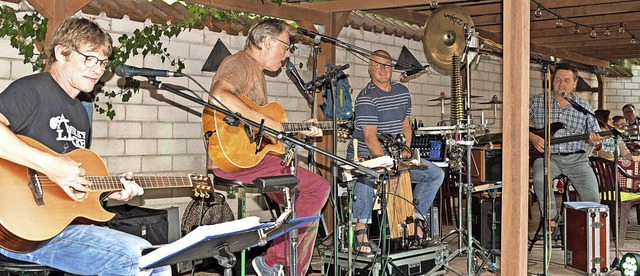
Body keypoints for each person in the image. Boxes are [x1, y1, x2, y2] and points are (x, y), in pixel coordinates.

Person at [0, 17, 170, 275]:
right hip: (17, 229)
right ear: (62, 53)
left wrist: (108, 193)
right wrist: (50, 165)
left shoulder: (81, 114)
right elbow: (55, 170)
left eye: (102, 62)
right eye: (89, 58)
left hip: (57, 228)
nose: (98, 69)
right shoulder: (31, 90)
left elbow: (71, 190)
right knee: (141, 260)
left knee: (153, 258)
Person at [207, 19, 330, 276]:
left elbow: (262, 132)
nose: (287, 55)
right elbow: (219, 96)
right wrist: (270, 122)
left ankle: (283, 266)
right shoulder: (239, 63)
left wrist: (297, 128)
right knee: (317, 188)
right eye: (285, 47)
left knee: (300, 200)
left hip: (255, 160)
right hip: (238, 163)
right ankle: (273, 263)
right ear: (266, 42)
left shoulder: (254, 70)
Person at [346, 50, 445, 253]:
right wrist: (386, 163)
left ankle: (415, 219)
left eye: (387, 65)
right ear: (369, 68)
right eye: (378, 65)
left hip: (395, 157)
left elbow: (406, 126)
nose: (383, 70)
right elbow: (370, 138)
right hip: (366, 155)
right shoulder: (366, 98)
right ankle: (361, 231)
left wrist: (406, 151)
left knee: (435, 174)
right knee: (366, 175)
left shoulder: (402, 92)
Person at [529, 63, 602, 227]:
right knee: (540, 177)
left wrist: (594, 140)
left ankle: (586, 232)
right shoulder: (536, 102)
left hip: (577, 159)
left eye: (566, 80)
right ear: (552, 80)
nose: (561, 84)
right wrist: (532, 137)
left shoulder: (584, 107)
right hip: (548, 157)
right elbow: (515, 122)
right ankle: (552, 219)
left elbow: (595, 138)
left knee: (593, 197)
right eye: (558, 79)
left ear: (574, 83)